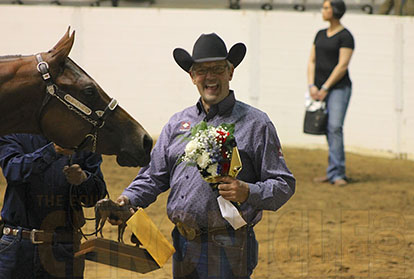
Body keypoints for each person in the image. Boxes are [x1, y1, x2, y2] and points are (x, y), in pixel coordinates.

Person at [109, 33, 296, 279]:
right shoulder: (177, 123)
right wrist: (128, 199)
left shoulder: (256, 123)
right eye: (201, 70)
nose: (209, 77)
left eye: (217, 69)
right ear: (192, 76)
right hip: (183, 243)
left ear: (230, 73)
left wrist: (248, 191)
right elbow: (153, 176)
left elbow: (283, 184)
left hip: (229, 244)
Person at [0, 134, 107, 279]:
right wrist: (53, 150)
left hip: (64, 248)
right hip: (18, 246)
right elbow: (13, 171)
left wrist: (83, 179)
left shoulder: (86, 139)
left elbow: (94, 196)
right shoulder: (16, 133)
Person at [307, 0, 355, 186]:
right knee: (328, 129)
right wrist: (312, 85)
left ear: (335, 11)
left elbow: (342, 65)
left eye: (326, 7)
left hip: (338, 89)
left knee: (334, 127)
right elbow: (311, 61)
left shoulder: (345, 36)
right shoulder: (320, 34)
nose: (323, 10)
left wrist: (326, 87)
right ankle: (333, 170)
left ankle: (338, 173)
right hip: (318, 89)